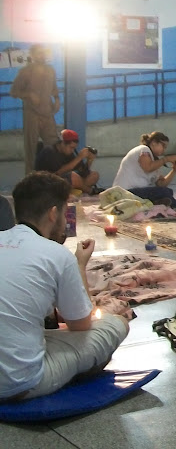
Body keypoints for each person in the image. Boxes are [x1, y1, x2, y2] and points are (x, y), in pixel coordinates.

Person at [0, 172, 129, 402]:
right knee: (115, 323)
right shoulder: (57, 255)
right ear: (53, 213)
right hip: (17, 383)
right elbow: (81, 324)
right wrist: (79, 265)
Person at [9, 44, 61, 174]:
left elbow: (54, 88)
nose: (42, 55)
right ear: (32, 55)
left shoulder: (50, 70)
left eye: (43, 53)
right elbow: (14, 92)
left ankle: (53, 177)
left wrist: (57, 99)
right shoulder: (25, 71)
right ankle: (30, 178)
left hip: (47, 113)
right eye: (38, 53)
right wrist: (29, 94)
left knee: (54, 145)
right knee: (31, 147)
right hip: (32, 114)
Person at [112, 131, 176, 210]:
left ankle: (156, 203)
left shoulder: (154, 161)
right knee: (164, 192)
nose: (164, 150)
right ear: (154, 142)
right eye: (163, 146)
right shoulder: (144, 149)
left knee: (167, 191)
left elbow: (161, 184)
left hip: (134, 193)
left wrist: (174, 171)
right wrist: (166, 159)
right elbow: (148, 168)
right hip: (124, 192)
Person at [34, 129, 102, 195]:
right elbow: (58, 173)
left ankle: (77, 189)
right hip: (47, 184)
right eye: (71, 147)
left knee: (94, 175)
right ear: (63, 143)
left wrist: (89, 160)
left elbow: (83, 173)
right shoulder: (50, 151)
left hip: (63, 182)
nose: (72, 150)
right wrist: (79, 157)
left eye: (74, 148)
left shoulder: (68, 153)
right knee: (73, 176)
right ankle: (89, 191)